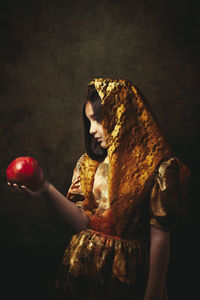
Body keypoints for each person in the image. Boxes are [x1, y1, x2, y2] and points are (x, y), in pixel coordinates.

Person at [8, 78, 190, 300]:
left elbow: (161, 239)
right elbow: (83, 223)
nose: (92, 129)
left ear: (122, 116)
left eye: (98, 120)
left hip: (128, 275)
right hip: (84, 267)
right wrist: (46, 188)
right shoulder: (90, 164)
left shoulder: (159, 170)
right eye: (89, 122)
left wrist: (153, 294)